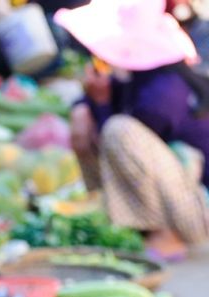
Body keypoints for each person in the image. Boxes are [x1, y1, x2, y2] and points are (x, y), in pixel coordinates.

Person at [59, 0, 209, 261]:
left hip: (196, 209)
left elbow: (120, 148)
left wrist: (102, 103)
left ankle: (165, 236)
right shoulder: (136, 79)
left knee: (118, 130)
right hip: (180, 194)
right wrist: (83, 107)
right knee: (96, 124)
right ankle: (111, 214)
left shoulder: (163, 93)